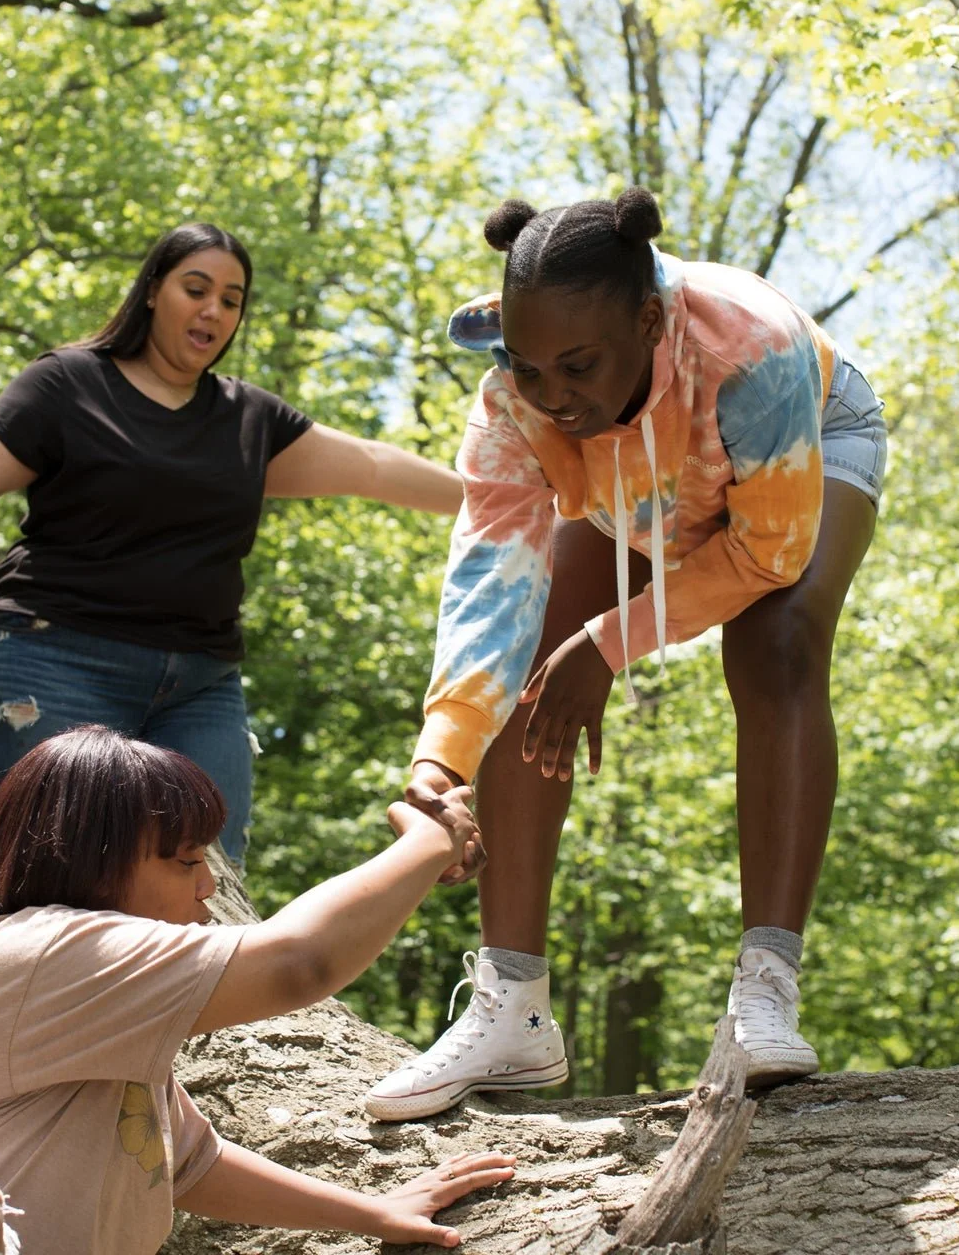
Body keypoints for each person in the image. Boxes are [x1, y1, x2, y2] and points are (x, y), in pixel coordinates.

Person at [365, 188, 887, 1121]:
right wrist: (437, 761)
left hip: (797, 442)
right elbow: (490, 584)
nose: (552, 392)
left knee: (777, 645)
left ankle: (765, 990)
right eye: (528, 366)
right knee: (528, 662)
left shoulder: (751, 352)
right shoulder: (520, 401)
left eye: (576, 364)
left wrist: (610, 642)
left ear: (647, 320)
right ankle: (513, 1008)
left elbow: (768, 553)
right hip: (631, 479)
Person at [0, 224, 462, 863]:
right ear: (152, 292)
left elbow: (370, 465)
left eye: (231, 300)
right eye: (195, 288)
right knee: (69, 884)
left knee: (209, 886)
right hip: (54, 666)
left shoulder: (248, 420)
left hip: (199, 687)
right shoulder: (68, 385)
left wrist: (506, 501)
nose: (212, 309)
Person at [0, 725, 511, 1255]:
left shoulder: (106, 1045)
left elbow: (191, 1165)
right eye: (183, 863)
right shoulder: (36, 952)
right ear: (89, 861)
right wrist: (430, 839)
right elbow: (300, 964)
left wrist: (373, 1213)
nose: (206, 893)